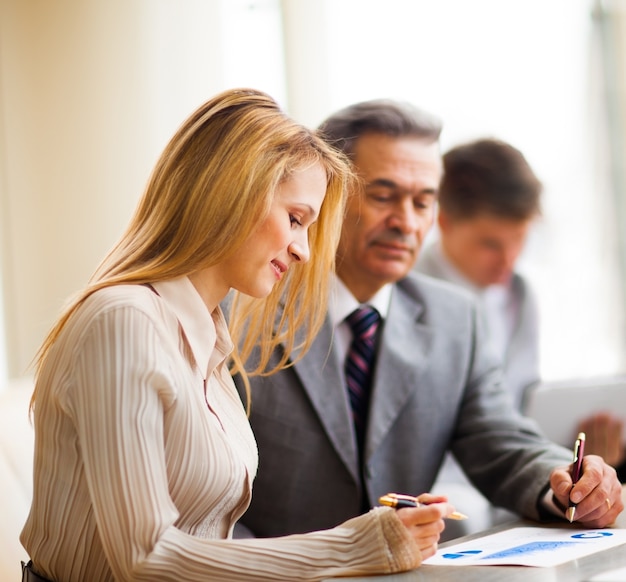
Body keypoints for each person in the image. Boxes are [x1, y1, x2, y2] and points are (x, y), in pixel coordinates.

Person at [19, 89, 457, 582]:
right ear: (231, 193)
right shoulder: (123, 321)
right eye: (296, 220)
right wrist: (353, 547)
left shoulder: (211, 335)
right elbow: (145, 560)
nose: (303, 252)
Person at [233, 98, 623, 542]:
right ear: (327, 194)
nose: (407, 222)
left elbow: (503, 443)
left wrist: (567, 484)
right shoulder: (244, 311)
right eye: (383, 196)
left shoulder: (456, 320)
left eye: (423, 202)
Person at [413, 137, 542, 537]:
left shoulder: (519, 295)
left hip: (509, 470)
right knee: (468, 515)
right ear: (444, 222)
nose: (508, 259)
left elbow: (522, 406)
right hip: (441, 485)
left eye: (519, 239)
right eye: (490, 243)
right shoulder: (403, 293)